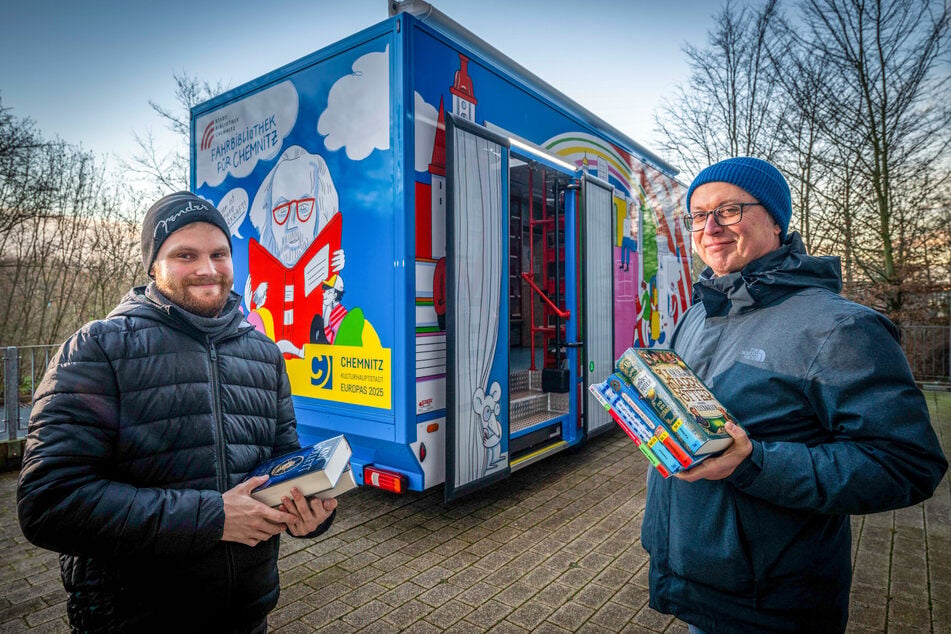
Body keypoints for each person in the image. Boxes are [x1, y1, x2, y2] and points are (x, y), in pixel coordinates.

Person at [641, 157, 948, 633]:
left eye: (728, 210)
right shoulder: (697, 313)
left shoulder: (840, 327)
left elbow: (906, 464)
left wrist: (755, 462)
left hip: (771, 604)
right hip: (693, 579)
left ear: (776, 220)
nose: (710, 228)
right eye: (698, 215)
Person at [17, 192, 338, 633]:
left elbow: (280, 460)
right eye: (185, 255)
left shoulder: (264, 354)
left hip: (246, 615)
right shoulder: (97, 350)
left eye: (219, 253)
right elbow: (50, 503)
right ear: (153, 265)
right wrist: (213, 518)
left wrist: (308, 511)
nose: (207, 269)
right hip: (133, 619)